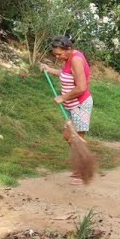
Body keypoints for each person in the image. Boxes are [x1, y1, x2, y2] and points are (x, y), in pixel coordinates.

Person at [41, 35, 93, 185]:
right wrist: (49, 69)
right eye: (55, 54)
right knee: (68, 136)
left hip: (80, 105)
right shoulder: (68, 59)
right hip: (71, 105)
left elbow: (82, 87)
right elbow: (65, 75)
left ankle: (82, 172)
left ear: (68, 49)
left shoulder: (76, 60)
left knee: (78, 139)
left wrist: (63, 98)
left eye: (60, 54)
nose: (58, 57)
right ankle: (81, 166)